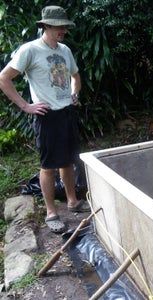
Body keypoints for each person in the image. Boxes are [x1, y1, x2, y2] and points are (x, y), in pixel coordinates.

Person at [0, 6, 90, 233]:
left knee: (68, 161)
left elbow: (75, 76)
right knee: (48, 166)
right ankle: (51, 212)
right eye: (59, 27)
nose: (63, 31)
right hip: (46, 116)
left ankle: (72, 201)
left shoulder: (65, 50)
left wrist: (74, 93)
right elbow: (4, 78)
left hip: (66, 112)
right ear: (46, 26)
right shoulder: (30, 50)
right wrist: (25, 106)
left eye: (65, 27)